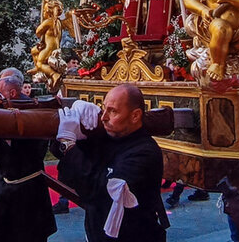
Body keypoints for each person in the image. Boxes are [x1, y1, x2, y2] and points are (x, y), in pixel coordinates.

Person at [56, 84, 169, 242]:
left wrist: (68, 144)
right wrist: (77, 113)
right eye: (103, 109)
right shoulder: (111, 136)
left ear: (135, 116)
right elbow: (64, 157)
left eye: (113, 111)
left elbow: (99, 190)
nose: (103, 117)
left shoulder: (145, 152)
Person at [0, 73, 56, 242]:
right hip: (5, 188)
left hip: (27, 192)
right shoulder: (6, 110)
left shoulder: (33, 113)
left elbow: (29, 153)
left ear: (12, 94)